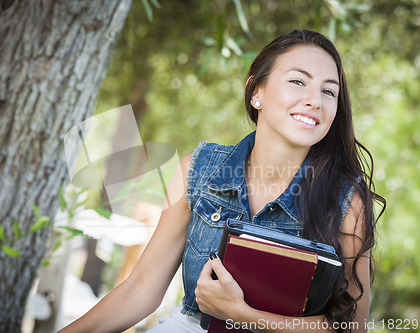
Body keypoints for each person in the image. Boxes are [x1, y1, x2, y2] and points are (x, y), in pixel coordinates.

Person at [59, 29, 386, 333]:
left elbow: (351, 327)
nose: (315, 99)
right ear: (257, 92)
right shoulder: (198, 169)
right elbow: (141, 289)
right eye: (298, 82)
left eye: (329, 90)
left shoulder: (346, 201)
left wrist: (242, 315)